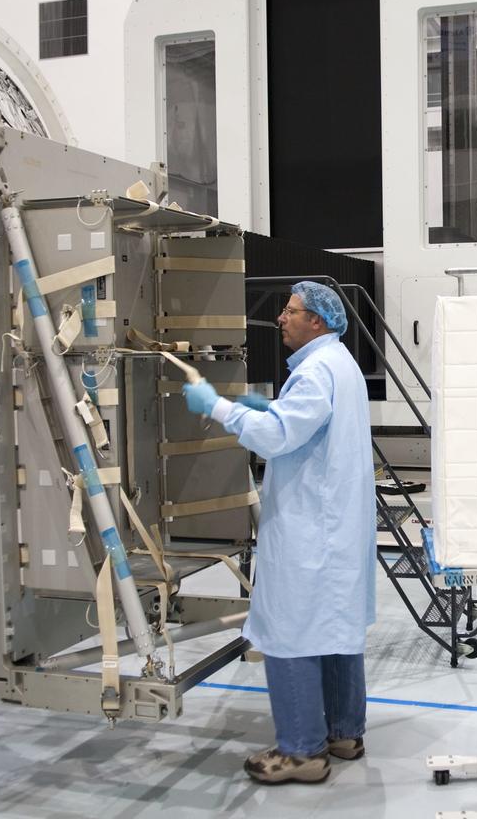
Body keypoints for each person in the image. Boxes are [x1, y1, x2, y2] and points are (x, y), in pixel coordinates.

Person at [182, 281, 376, 786]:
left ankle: (301, 752)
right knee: (334, 632)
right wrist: (268, 409)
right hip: (334, 527)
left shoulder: (314, 373)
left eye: (290, 312)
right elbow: (302, 426)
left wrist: (219, 407)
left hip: (311, 529)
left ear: (317, 321)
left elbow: (275, 438)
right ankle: (343, 732)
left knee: (291, 632)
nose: (281, 319)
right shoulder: (340, 366)